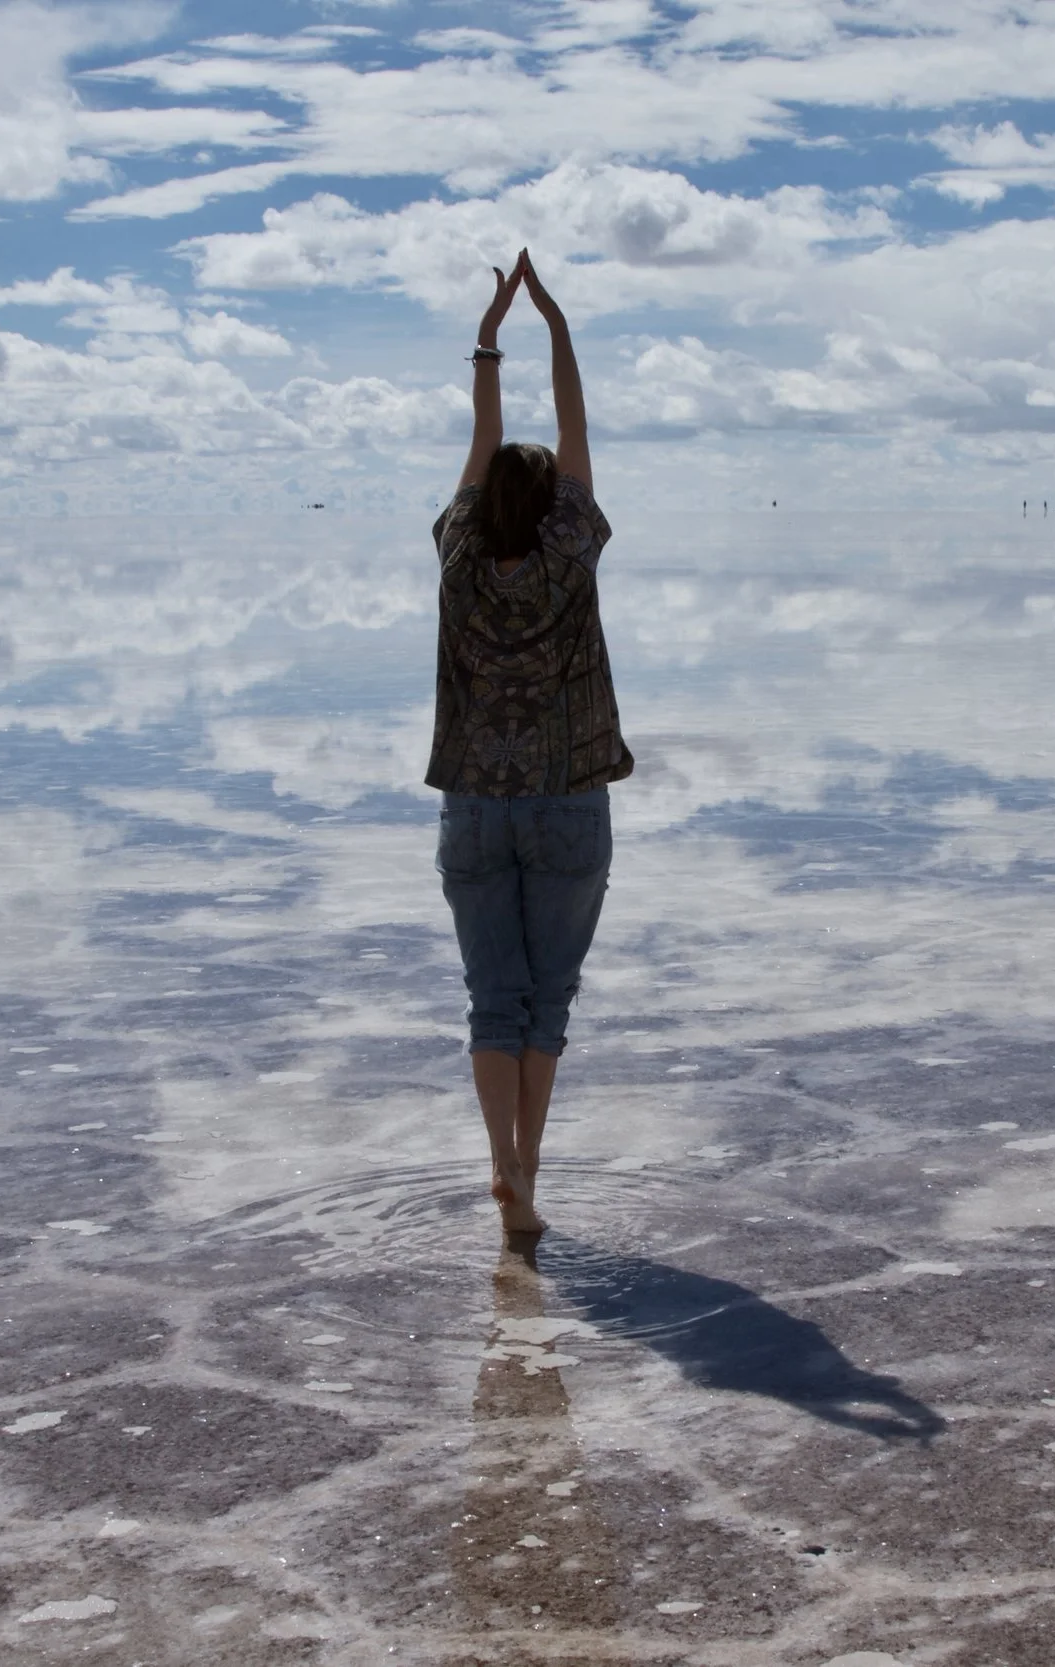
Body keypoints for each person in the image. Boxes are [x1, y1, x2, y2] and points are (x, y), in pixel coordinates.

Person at [429, 249, 635, 1237]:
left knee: (490, 999)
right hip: (566, 800)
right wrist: (554, 325)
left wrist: (489, 337)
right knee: (545, 1001)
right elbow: (572, 430)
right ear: (553, 504)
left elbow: (487, 437)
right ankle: (528, 1172)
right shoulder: (569, 548)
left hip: (473, 804)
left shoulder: (461, 549)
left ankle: (499, 1162)